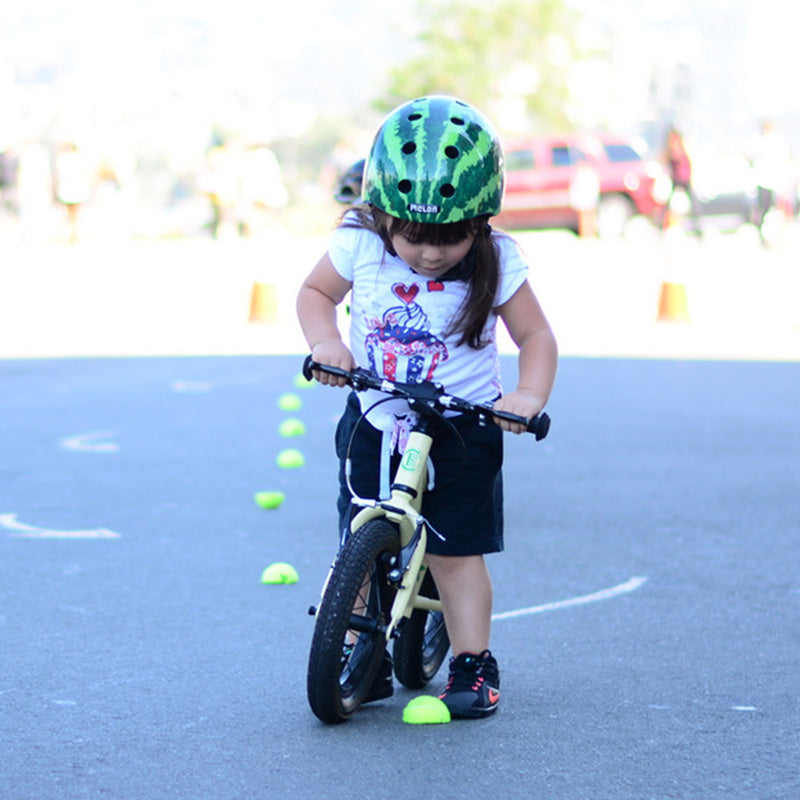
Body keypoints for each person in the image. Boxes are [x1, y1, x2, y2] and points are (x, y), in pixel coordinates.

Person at [296, 95, 558, 719]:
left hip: (463, 426)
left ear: (483, 222)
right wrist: (327, 342)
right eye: (413, 238)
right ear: (383, 213)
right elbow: (314, 294)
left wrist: (526, 396)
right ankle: (359, 645)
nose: (431, 255)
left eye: (451, 239)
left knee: (453, 551)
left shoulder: (499, 261)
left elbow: (537, 339)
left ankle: (472, 661)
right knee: (356, 530)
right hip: (376, 413)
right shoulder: (359, 242)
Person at [662, 127, 701, 235]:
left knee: (693, 204)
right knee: (668, 205)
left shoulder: (681, 147)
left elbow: (686, 162)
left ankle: (697, 226)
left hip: (684, 179)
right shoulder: (671, 148)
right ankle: (663, 224)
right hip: (677, 179)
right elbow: (667, 160)